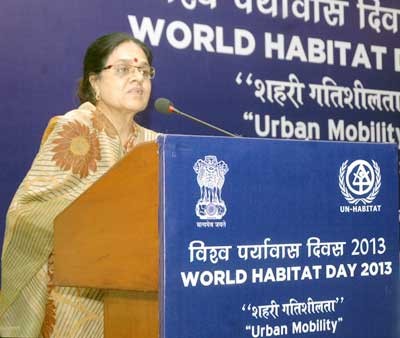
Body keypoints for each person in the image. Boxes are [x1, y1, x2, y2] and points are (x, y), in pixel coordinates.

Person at [0, 32, 158, 338]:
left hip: (140, 295)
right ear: (94, 82)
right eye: (124, 69)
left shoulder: (155, 145)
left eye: (144, 71)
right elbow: (28, 212)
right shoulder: (75, 129)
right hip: (76, 295)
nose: (138, 78)